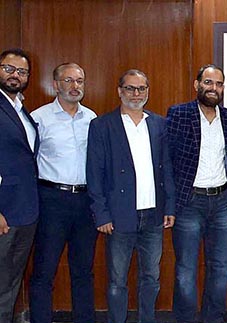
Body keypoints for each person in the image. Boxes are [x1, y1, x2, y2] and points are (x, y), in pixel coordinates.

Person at [87, 69, 176, 323]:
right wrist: (101, 214)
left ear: (147, 91)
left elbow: (167, 168)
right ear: (119, 91)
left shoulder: (159, 124)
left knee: (151, 278)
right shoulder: (102, 125)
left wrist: (169, 207)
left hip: (153, 215)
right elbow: (95, 173)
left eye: (141, 89)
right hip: (119, 216)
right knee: (117, 281)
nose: (136, 94)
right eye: (130, 88)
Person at [166, 64, 227, 323]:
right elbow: (169, 161)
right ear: (197, 85)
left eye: (219, 84)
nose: (214, 89)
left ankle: (213, 319)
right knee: (185, 270)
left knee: (221, 268)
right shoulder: (179, 114)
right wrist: (170, 206)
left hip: (221, 202)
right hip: (189, 203)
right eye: (208, 83)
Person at [29, 63, 98, 323]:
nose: (74, 86)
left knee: (83, 271)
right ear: (56, 84)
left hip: (84, 202)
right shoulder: (38, 118)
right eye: (68, 80)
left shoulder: (92, 119)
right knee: (44, 272)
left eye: (79, 80)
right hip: (51, 201)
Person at [0, 48, 38, 323]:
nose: (15, 75)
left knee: (10, 281)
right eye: (8, 69)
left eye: (21, 71)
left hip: (25, 211)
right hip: (3, 212)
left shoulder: (21, 109)